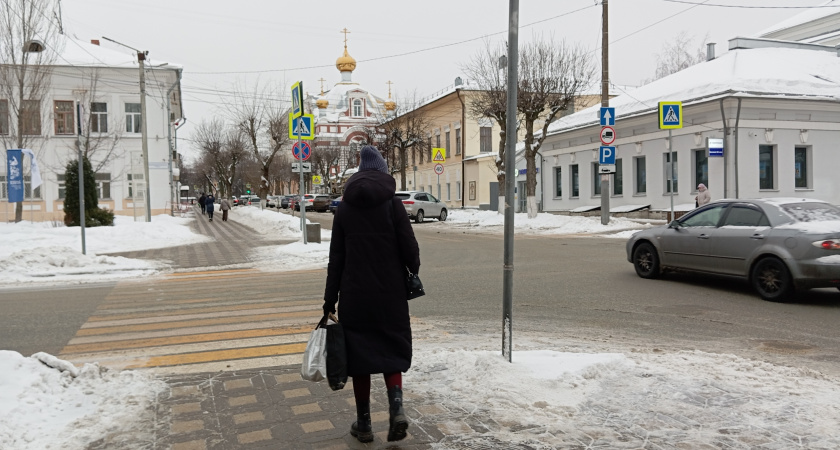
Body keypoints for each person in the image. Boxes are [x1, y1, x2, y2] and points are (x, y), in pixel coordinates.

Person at [323, 145, 420, 443]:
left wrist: (330, 300)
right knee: (390, 350)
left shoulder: (345, 209)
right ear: (383, 173)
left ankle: (363, 424)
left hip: (354, 295)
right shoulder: (393, 206)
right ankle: (397, 410)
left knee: (360, 358)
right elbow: (412, 255)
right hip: (390, 294)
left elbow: (336, 258)